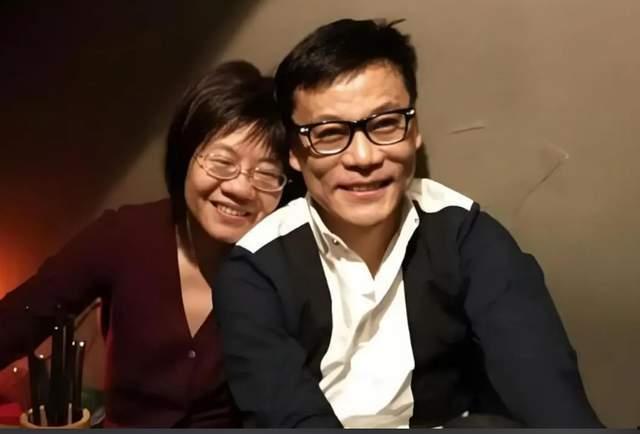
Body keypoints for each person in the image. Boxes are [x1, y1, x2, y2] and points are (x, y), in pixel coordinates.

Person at [211, 19, 604, 428]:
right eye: (328, 133)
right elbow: (288, 418)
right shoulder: (255, 271)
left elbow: (547, 389)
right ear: (295, 152)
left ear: (414, 130)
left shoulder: (464, 234)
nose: (363, 158)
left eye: (385, 123)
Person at [0, 60, 295, 427]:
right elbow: (19, 319)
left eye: (267, 173)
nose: (240, 188)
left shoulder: (287, 267)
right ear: (186, 156)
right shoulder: (124, 235)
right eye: (222, 162)